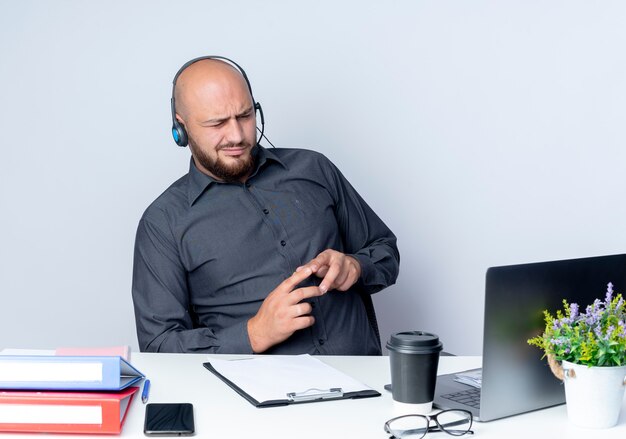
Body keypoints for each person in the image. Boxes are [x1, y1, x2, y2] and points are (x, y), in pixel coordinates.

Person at [132, 56, 399, 355]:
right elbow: (159, 345)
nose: (236, 135)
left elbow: (386, 251)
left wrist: (356, 266)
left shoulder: (314, 169)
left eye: (245, 116)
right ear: (180, 129)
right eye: (217, 123)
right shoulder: (163, 222)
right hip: (254, 400)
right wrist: (253, 334)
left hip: (365, 392)